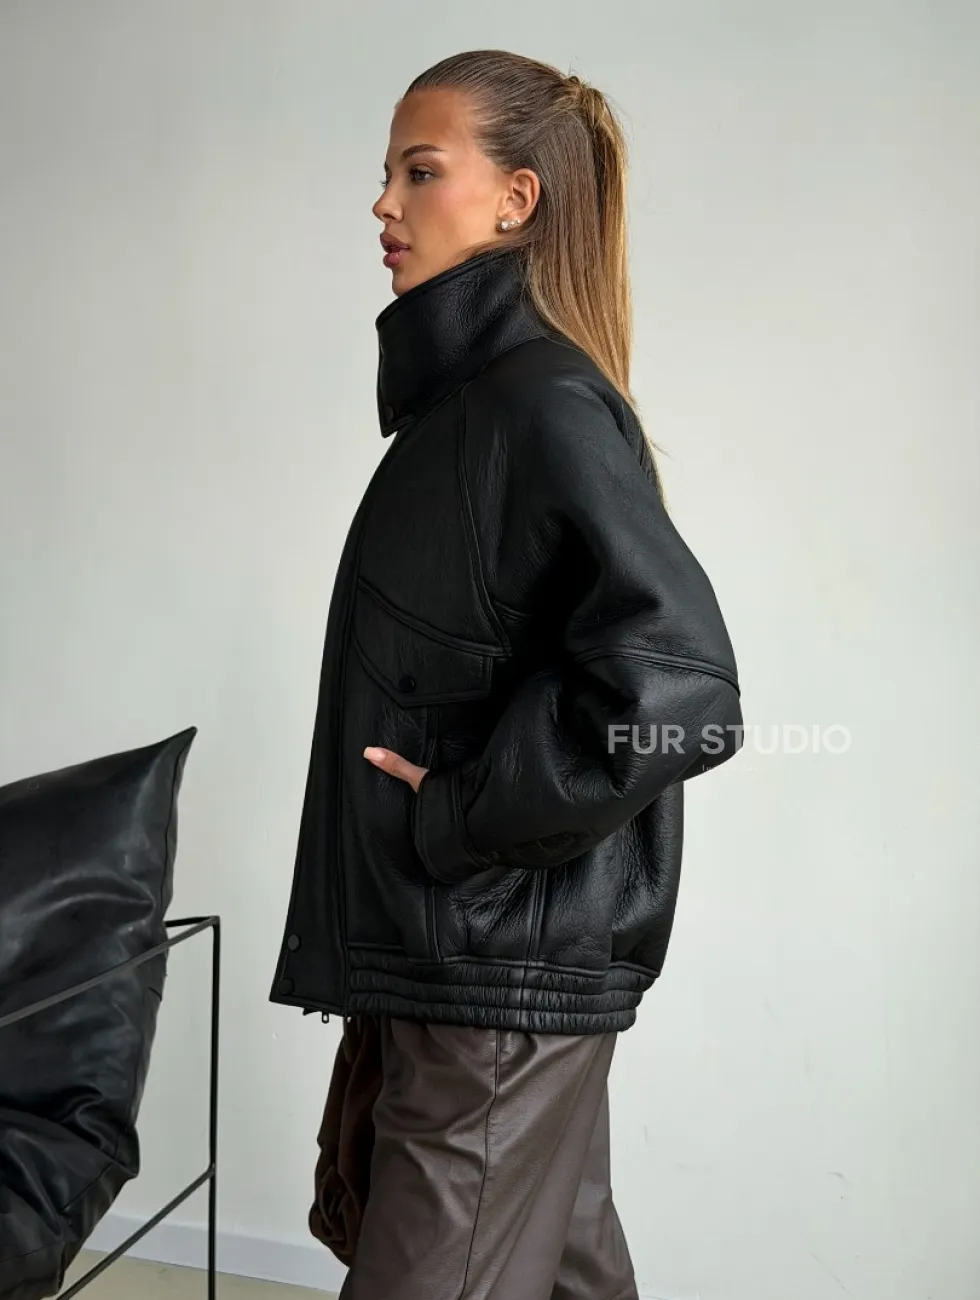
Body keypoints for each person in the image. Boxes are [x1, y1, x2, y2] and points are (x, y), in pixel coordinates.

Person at [271, 48, 743, 1300]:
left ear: (515, 200)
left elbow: (680, 694)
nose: (383, 202)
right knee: (562, 1269)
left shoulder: (536, 405)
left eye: (420, 171)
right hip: (480, 965)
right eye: (387, 172)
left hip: (488, 978)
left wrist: (455, 815)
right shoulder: (472, 411)